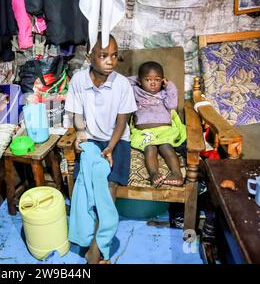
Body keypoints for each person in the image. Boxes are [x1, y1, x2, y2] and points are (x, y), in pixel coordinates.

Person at [65, 33, 137, 264]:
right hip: (91, 138)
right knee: (85, 182)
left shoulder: (122, 84)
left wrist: (110, 148)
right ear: (89, 57)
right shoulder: (78, 80)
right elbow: (76, 113)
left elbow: (122, 122)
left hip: (117, 139)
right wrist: (80, 133)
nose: (110, 61)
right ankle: (84, 235)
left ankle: (96, 248)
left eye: (114, 56)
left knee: (109, 185)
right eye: (103, 55)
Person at [128, 61, 186, 188]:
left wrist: (169, 85)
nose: (153, 83)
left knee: (167, 147)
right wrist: (137, 80)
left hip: (164, 130)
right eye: (148, 80)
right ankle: (154, 174)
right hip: (145, 132)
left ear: (163, 80)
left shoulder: (164, 94)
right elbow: (123, 83)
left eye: (157, 80)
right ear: (140, 81)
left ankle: (177, 174)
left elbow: (172, 106)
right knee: (150, 148)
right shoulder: (136, 91)